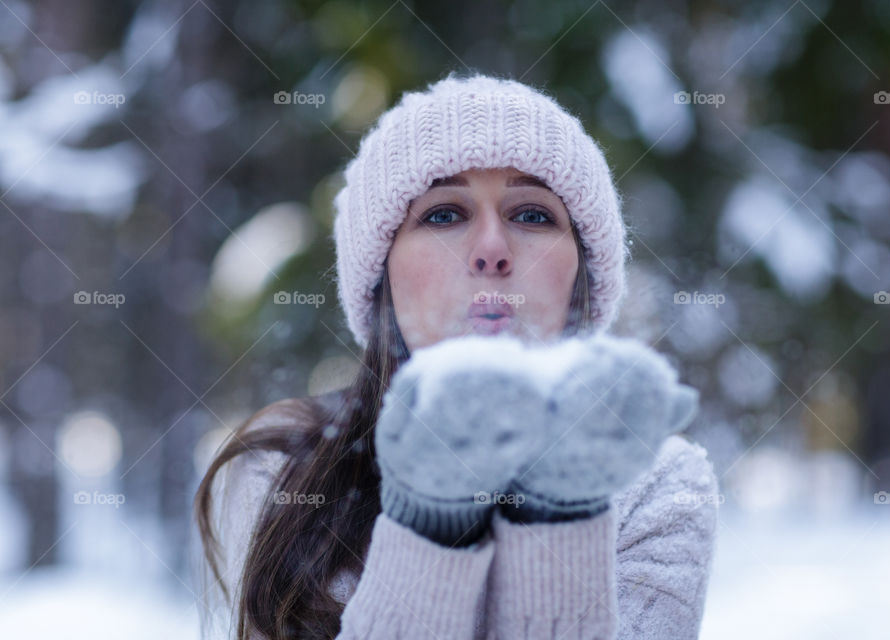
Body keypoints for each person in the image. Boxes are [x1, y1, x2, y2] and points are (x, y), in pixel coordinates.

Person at [193, 73, 719, 640]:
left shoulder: (659, 483)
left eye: (533, 215)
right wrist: (431, 524)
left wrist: (559, 511)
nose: (492, 249)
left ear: (581, 278)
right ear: (382, 280)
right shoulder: (285, 467)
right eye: (443, 214)